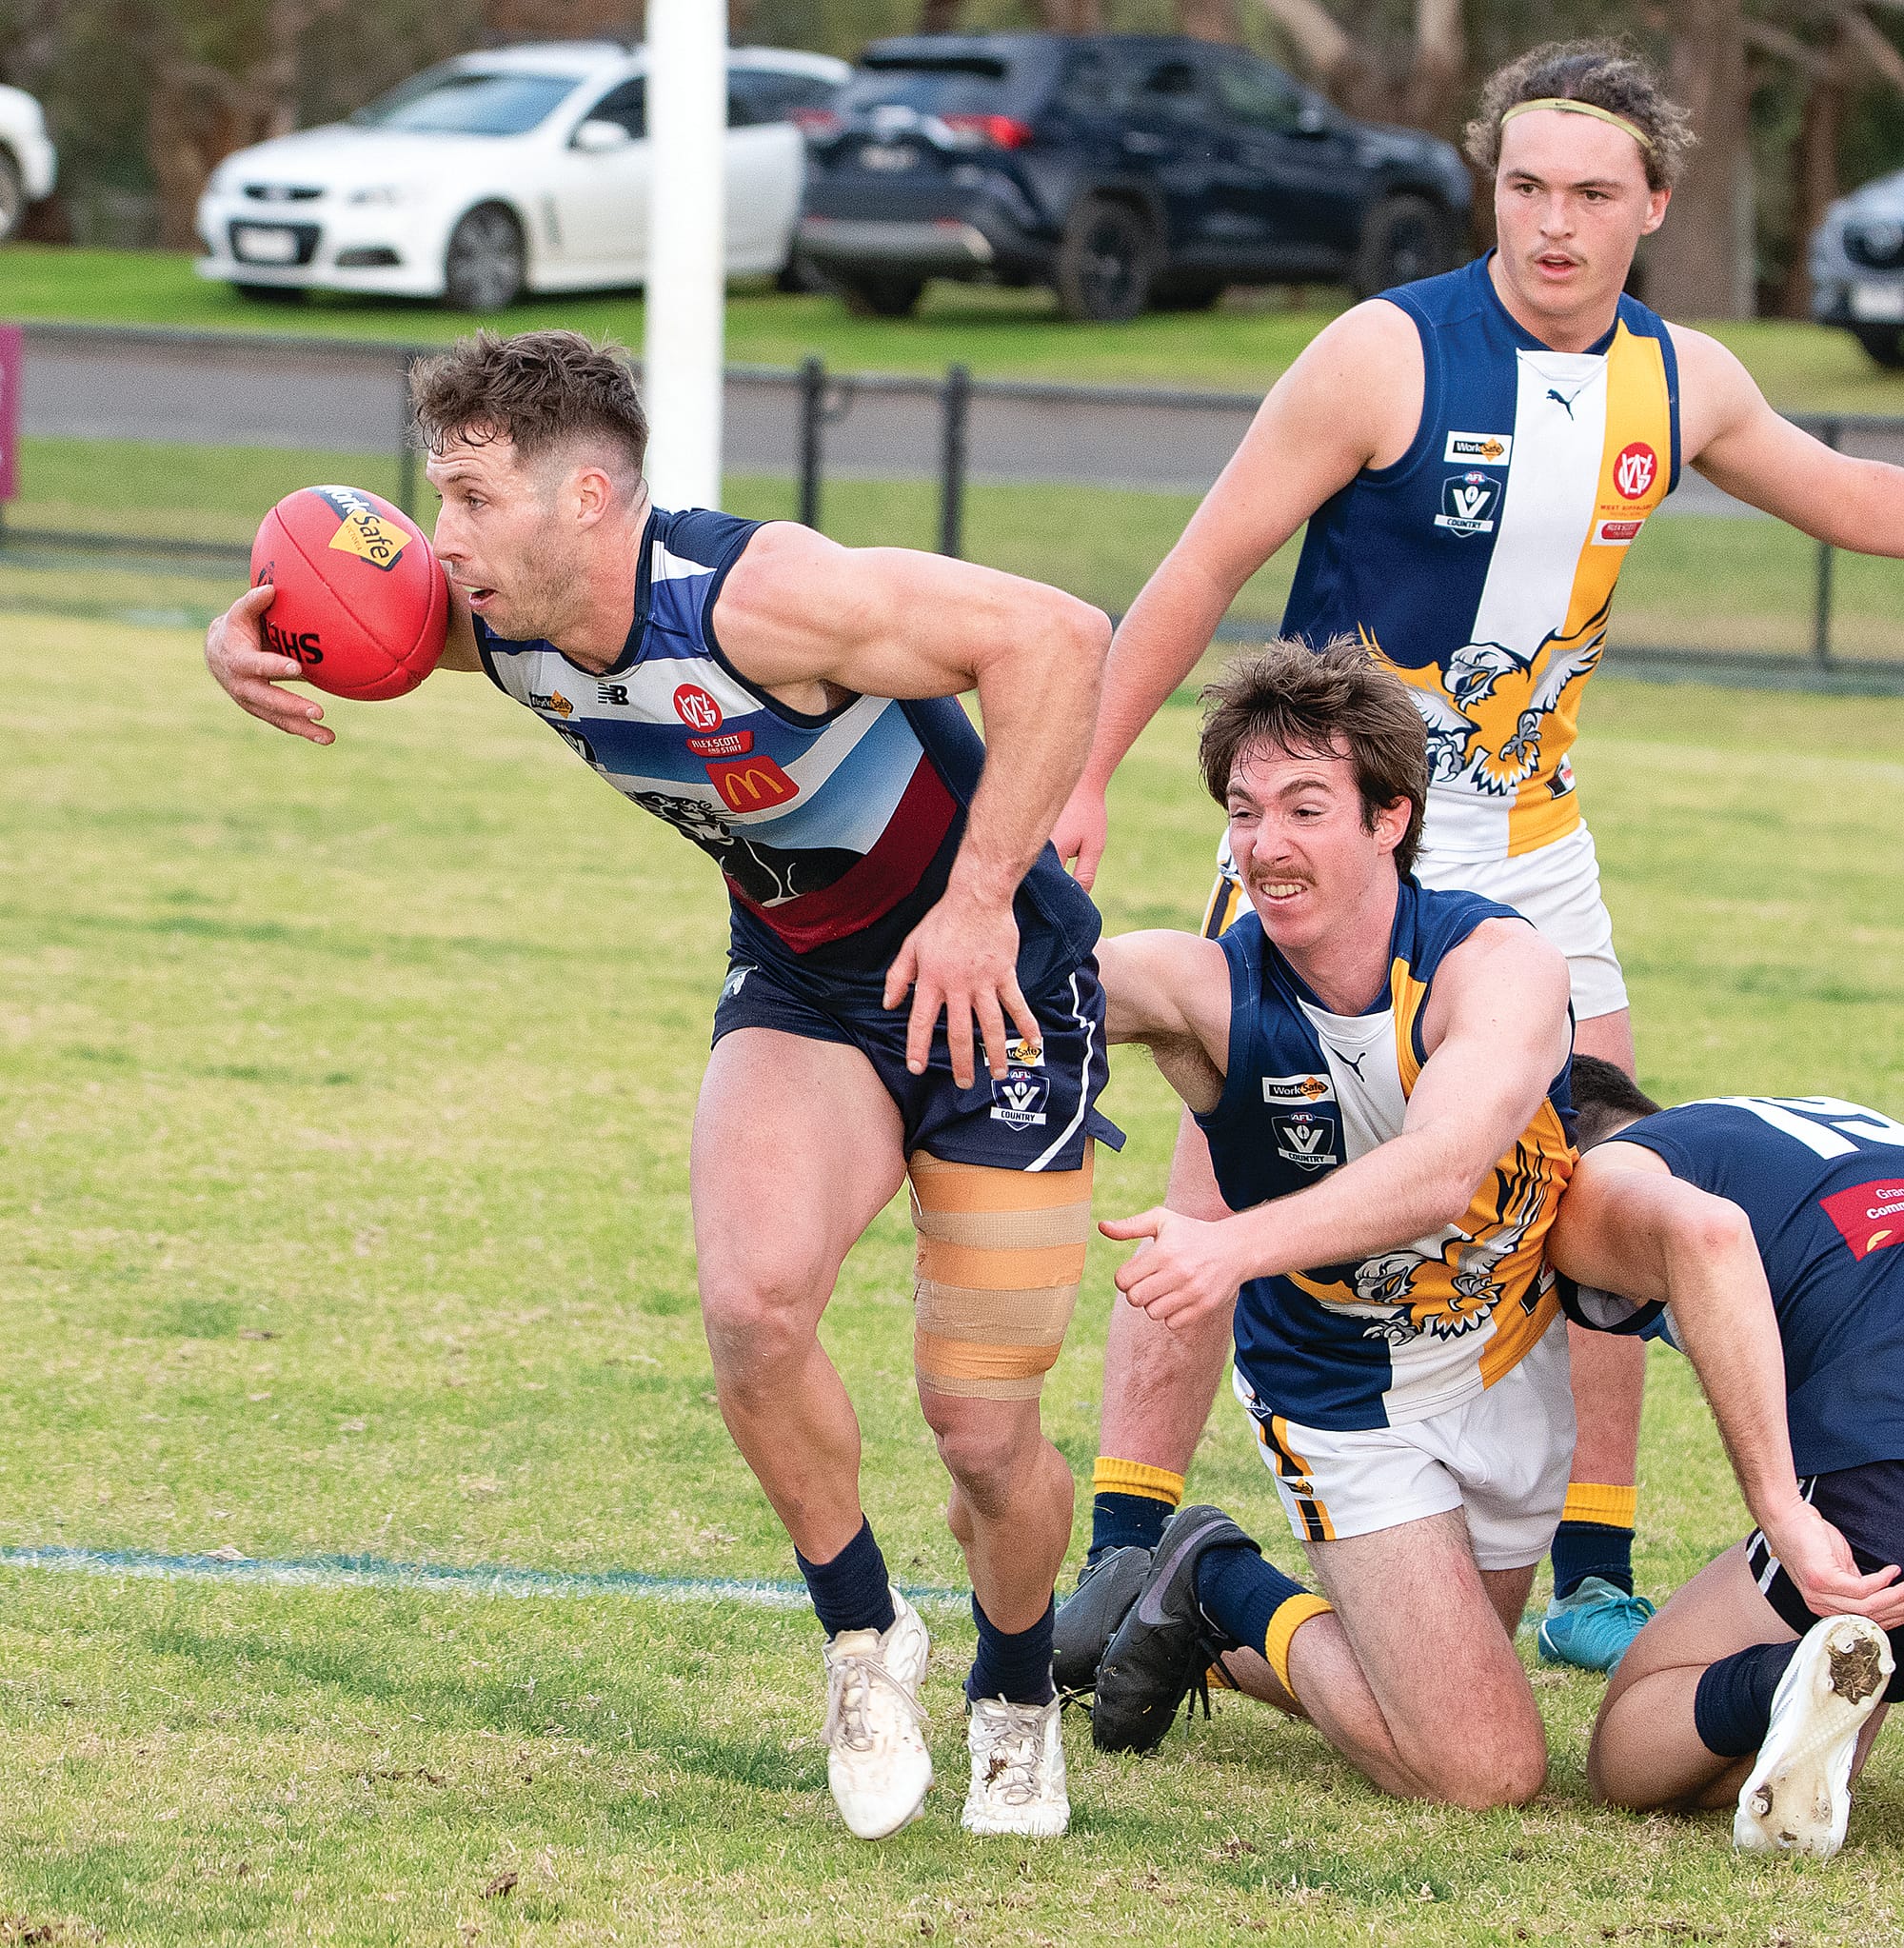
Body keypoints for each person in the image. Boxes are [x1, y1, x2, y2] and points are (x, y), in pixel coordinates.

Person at [1053, 37, 1904, 1683]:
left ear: (1654, 203)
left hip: (1538, 854)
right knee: (1229, 1174)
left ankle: (1592, 1558)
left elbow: (1855, 501)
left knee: (1612, 1185)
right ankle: (1124, 1539)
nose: (1554, 226)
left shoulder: (1687, 380)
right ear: (1488, 188)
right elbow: (1201, 562)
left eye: (1592, 194)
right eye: (1525, 188)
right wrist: (1082, 775)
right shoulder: (1385, 354)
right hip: (1340, 851)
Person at [203, 329, 1119, 1842]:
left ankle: (1015, 1691)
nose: (443, 539)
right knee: (752, 1309)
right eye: (439, 497)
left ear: (585, 497)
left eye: (474, 499)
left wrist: (975, 903)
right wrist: (236, 643)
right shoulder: (508, 619)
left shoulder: (762, 600)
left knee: (982, 1430)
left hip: (996, 991)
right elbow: (365, 621)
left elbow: (1059, 636)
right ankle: (865, 1632)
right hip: (811, 991)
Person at [1082, 638, 1577, 1808]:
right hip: (1341, 1399)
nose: (1265, 845)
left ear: (1387, 819)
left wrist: (1226, 1247)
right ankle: (1222, 1580)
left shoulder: (1495, 963)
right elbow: (1016, 990)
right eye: (1245, 812)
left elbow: (1440, 1173)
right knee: (1480, 1771)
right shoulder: (1199, 987)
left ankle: (1198, 1592)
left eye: (1306, 808)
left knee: (1433, 1687)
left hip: (1507, 1365)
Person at [1546, 1058, 1904, 1858]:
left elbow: (1706, 1235)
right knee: (1793, 1752)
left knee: (1630, 1745)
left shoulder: (1600, 1175)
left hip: (1884, 1459)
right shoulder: (1810, 1122)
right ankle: (1821, 1674)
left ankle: (1789, 1675)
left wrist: (1783, 1509)